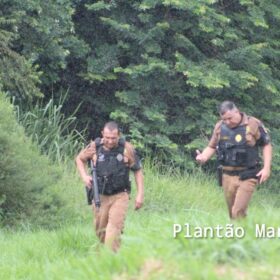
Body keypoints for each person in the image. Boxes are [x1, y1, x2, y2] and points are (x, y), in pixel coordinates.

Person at [196, 101, 272, 219]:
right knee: (232, 214)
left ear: (237, 111)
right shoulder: (220, 126)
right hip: (227, 175)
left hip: (248, 175)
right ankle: (239, 236)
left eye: (230, 118)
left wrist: (266, 168)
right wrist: (203, 157)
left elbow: (266, 145)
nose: (227, 122)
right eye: (224, 119)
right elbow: (211, 146)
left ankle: (239, 234)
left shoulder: (253, 123)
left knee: (237, 211)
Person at [76, 121, 144, 252]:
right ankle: (106, 258)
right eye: (107, 138)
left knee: (113, 230)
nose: (110, 141)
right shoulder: (94, 147)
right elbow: (79, 159)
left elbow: (138, 170)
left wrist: (140, 194)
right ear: (102, 134)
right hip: (100, 196)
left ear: (118, 135)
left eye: (113, 138)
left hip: (120, 195)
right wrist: (84, 176)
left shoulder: (127, 148)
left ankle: (112, 260)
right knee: (100, 231)